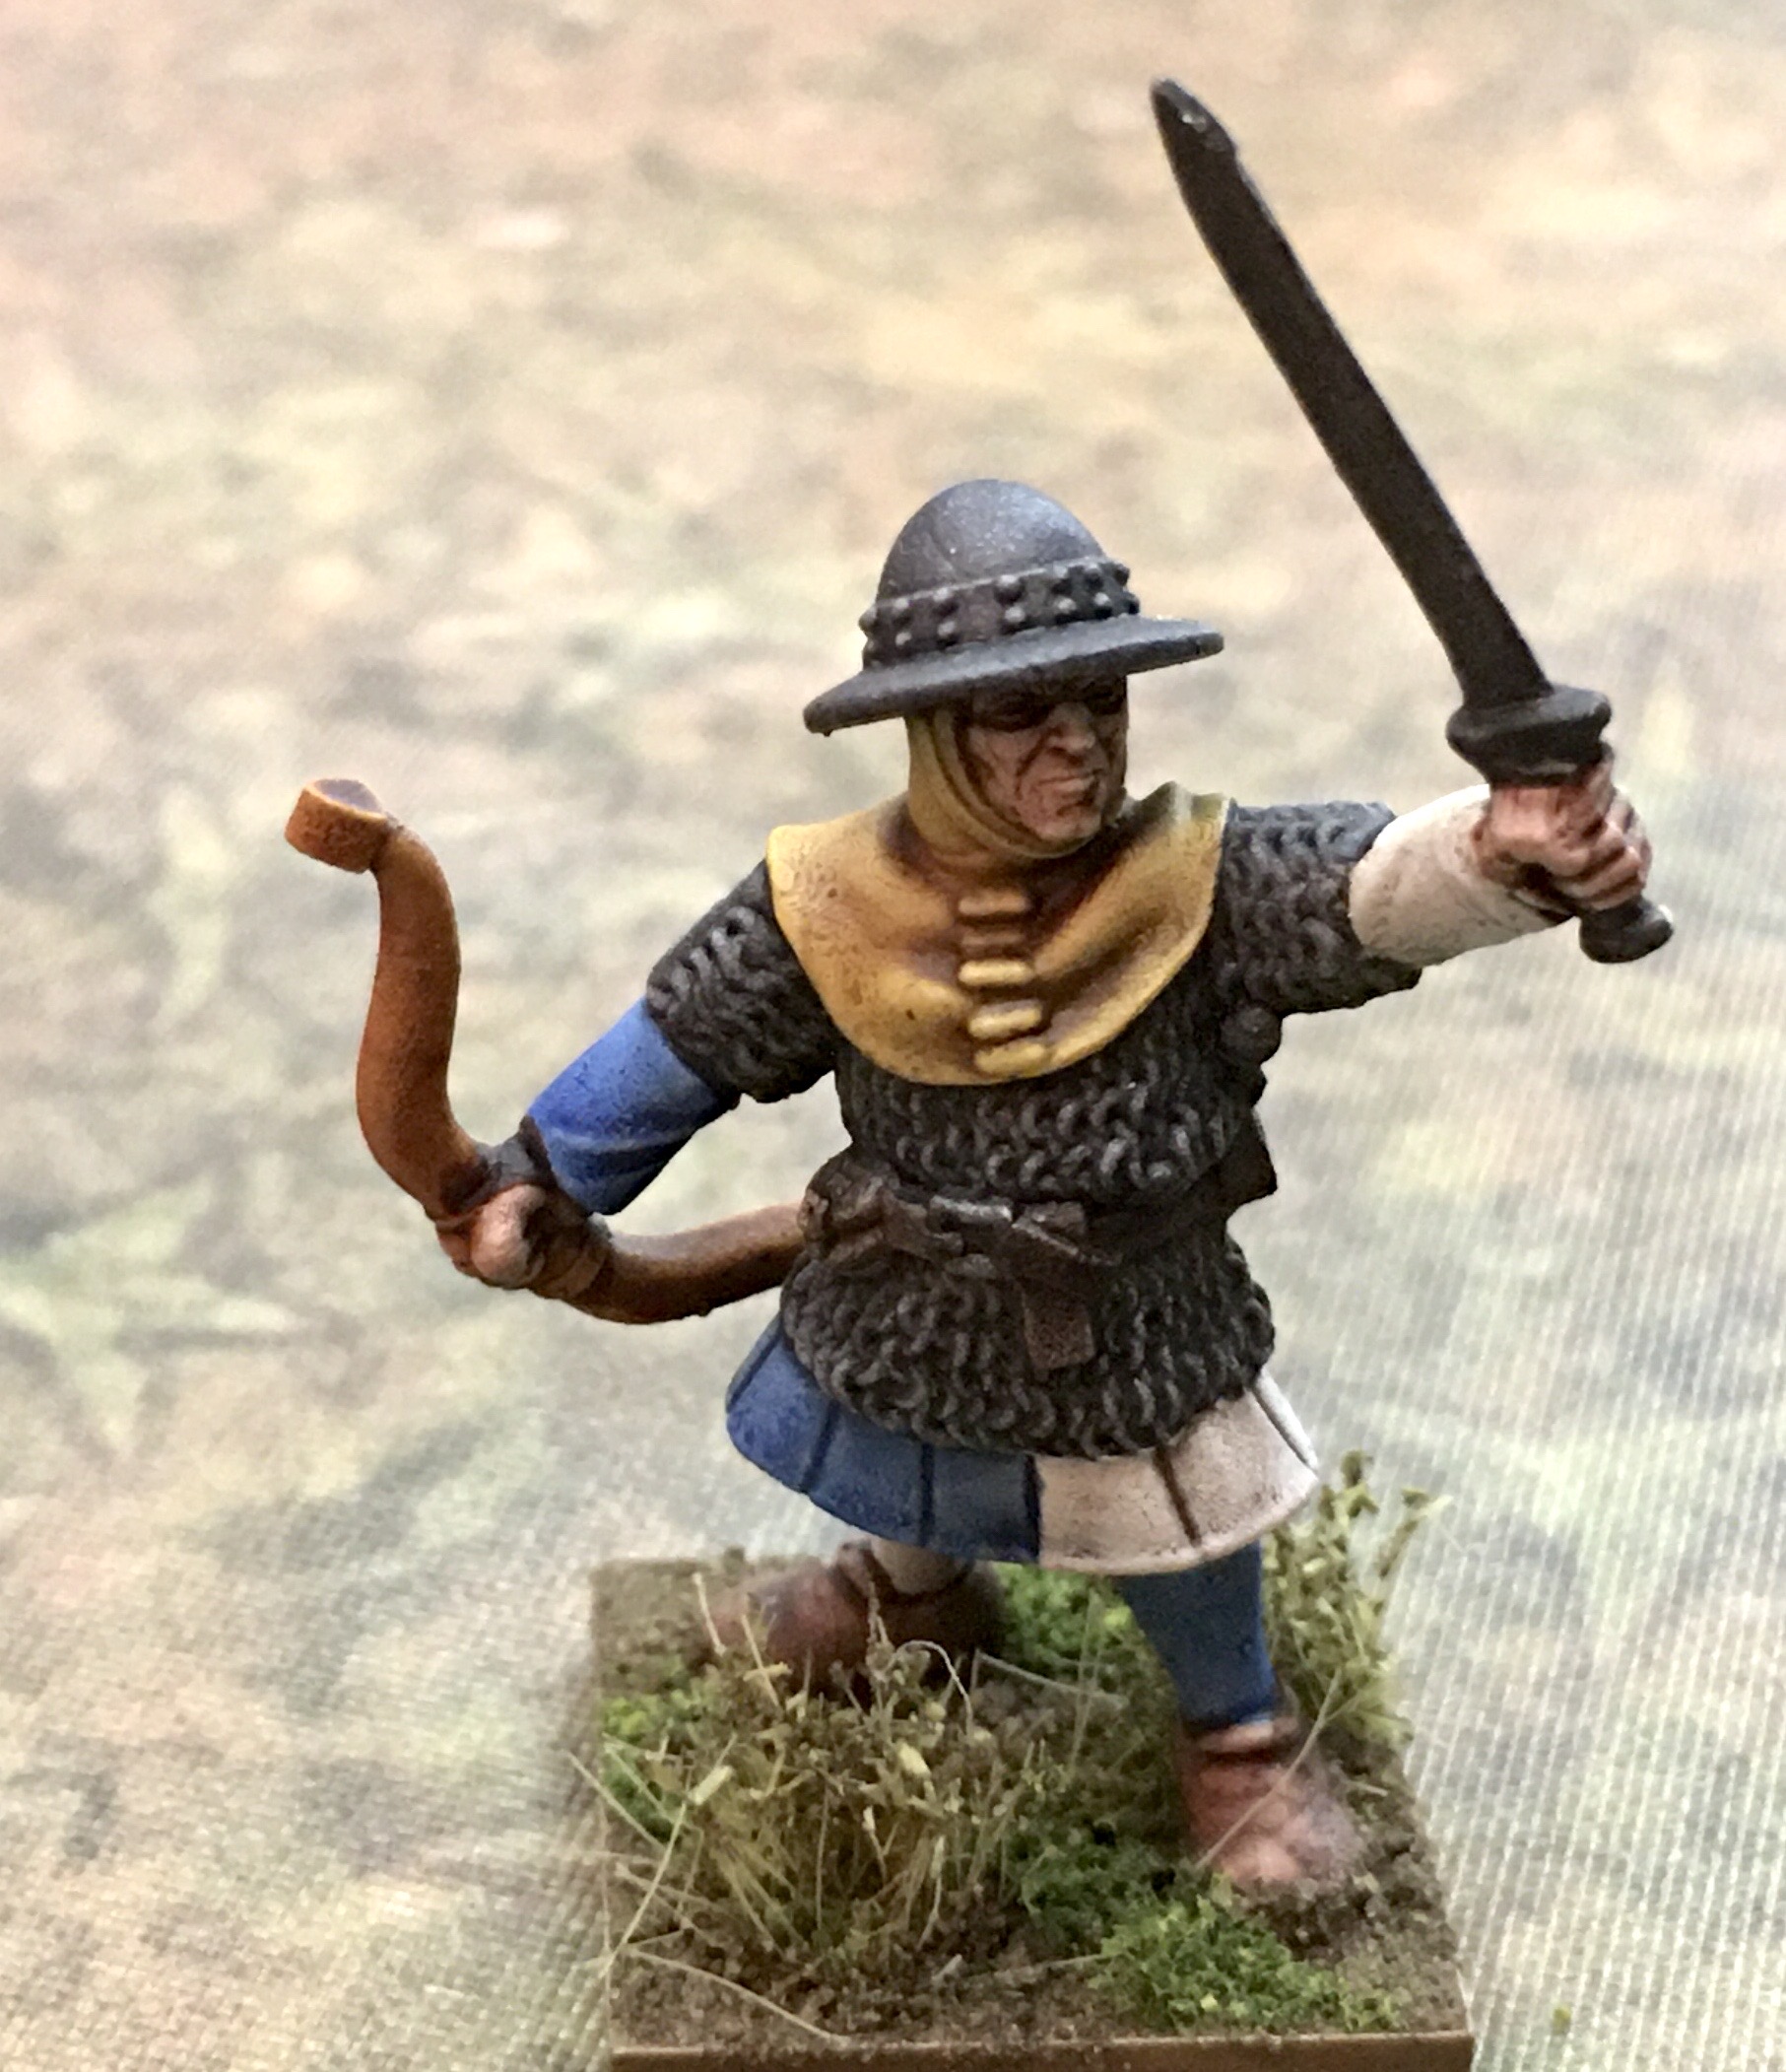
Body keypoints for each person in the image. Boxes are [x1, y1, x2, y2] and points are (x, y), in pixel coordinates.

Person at [437, 479, 1650, 1889]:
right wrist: (543, 1175)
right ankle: (907, 1607)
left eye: (1098, 699)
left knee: (1178, 1517)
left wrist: (1502, 852)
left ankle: (1238, 1739)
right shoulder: (818, 907)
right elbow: (683, 1045)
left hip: (1135, 1303)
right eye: (1021, 711)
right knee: (897, 1454)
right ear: (935, 732)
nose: (1076, 740)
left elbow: (1364, 889)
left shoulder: (1204, 881)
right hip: (906, 1290)